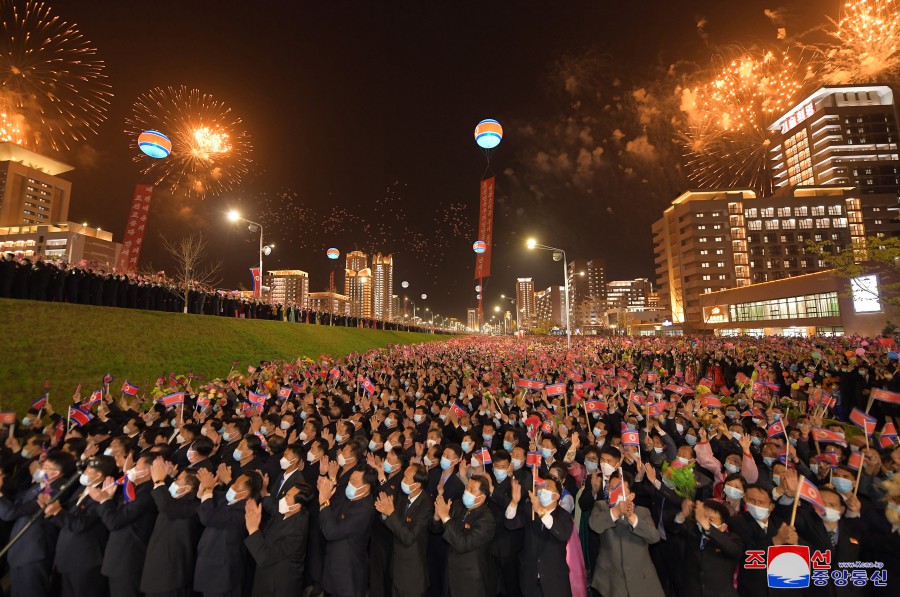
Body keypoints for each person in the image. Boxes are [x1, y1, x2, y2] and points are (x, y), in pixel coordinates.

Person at [0, 451, 77, 597]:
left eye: (45, 467)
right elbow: (17, 501)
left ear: (56, 473)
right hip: (20, 550)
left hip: (33, 552)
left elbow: (10, 513)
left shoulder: (54, 491)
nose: (41, 468)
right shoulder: (41, 485)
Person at [47, 455, 116, 597]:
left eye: (89, 469)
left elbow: (80, 524)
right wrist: (51, 510)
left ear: (98, 475)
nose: (85, 471)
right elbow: (67, 514)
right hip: (67, 556)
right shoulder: (82, 489)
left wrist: (58, 512)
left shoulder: (102, 494)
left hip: (84, 560)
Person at [588, 472, 663, 597]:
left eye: (620, 489)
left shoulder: (642, 512)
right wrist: (616, 511)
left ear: (631, 496)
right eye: (612, 488)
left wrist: (632, 517)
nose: (614, 492)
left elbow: (654, 537)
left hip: (641, 581)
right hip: (610, 581)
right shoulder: (601, 506)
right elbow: (594, 525)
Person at [94, 453, 159, 597]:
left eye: (137, 465)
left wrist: (105, 500)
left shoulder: (146, 493)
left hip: (128, 560)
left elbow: (114, 522)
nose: (133, 468)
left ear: (148, 471)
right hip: (120, 558)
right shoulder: (137, 488)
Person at [194, 469, 261, 597]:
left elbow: (208, 517)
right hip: (210, 569)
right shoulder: (229, 500)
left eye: (236, 484)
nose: (232, 486)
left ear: (245, 493)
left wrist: (207, 489)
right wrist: (205, 487)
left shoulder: (244, 510)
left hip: (221, 576)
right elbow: (208, 497)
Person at [141, 456, 201, 597]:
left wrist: (159, 480)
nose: (174, 483)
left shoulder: (193, 506)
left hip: (170, 576)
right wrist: (167, 477)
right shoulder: (177, 499)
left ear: (188, 488)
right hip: (159, 572)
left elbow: (167, 506)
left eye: (178, 480)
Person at [505, 476, 574, 597]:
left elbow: (563, 534)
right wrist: (514, 502)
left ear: (556, 496)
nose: (542, 489)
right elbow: (511, 523)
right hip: (529, 581)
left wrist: (541, 511)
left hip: (554, 582)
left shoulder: (564, 516)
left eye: (546, 486)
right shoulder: (529, 511)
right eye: (540, 486)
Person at [431, 474, 496, 597]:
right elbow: (437, 530)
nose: (466, 492)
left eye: (472, 490)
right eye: (467, 487)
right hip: (450, 575)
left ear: (481, 498)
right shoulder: (458, 505)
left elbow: (462, 544)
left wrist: (445, 517)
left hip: (469, 581)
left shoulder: (486, 520)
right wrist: (437, 517)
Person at [728, 483, 798, 597]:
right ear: (745, 499)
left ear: (771, 506)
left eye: (761, 502)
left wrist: (794, 544)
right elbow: (748, 554)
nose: (756, 505)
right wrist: (775, 541)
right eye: (751, 500)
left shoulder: (777, 524)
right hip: (752, 589)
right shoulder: (738, 521)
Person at [375, 463, 434, 597]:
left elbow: (408, 537)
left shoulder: (426, 505)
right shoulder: (402, 496)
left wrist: (390, 514)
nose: (403, 481)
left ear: (417, 484)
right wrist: (384, 513)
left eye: (406, 479)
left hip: (411, 574)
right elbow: (393, 522)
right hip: (396, 566)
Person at [245, 483, 313, 597]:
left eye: (287, 496)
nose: (283, 498)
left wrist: (253, 529)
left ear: (297, 506)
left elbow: (265, 556)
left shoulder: (297, 531)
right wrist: (255, 519)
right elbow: (268, 537)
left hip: (278, 587)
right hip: (266, 579)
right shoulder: (283, 514)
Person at [317, 466, 377, 597]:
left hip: (347, 577)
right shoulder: (348, 497)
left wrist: (324, 503)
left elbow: (331, 532)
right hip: (332, 569)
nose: (350, 484)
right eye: (350, 480)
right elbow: (329, 517)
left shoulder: (365, 510)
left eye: (354, 482)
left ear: (366, 487)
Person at [668, 499, 744, 597]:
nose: (704, 521)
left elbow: (734, 551)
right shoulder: (693, 533)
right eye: (703, 517)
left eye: (711, 519)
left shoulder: (731, 539)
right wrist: (683, 514)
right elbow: (673, 528)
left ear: (723, 527)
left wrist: (708, 527)